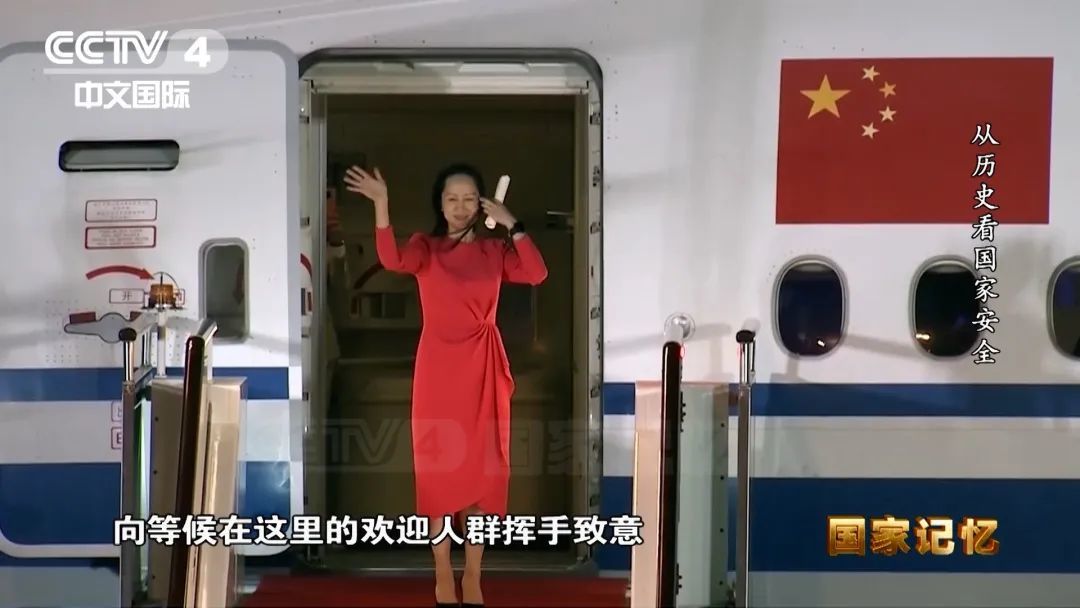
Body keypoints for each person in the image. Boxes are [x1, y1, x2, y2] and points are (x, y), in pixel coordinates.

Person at [343, 162, 548, 608]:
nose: (460, 206)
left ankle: (473, 573)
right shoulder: (427, 247)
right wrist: (381, 204)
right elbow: (392, 260)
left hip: (483, 368)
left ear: (482, 204)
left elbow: (536, 273)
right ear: (440, 203)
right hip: (438, 371)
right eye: (452, 198)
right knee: (438, 476)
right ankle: (441, 570)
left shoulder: (494, 251)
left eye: (469, 198)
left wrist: (513, 225)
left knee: (482, 474)